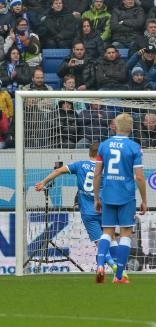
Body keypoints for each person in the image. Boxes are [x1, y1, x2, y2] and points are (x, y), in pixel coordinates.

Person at [34, 143, 119, 276]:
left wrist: (43, 182)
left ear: (89, 153)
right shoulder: (107, 167)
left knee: (100, 243)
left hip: (88, 212)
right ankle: (119, 269)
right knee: (112, 237)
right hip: (105, 209)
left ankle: (111, 265)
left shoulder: (80, 165)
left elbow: (58, 171)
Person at [93, 113, 147, 284]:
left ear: (115, 126)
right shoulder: (134, 147)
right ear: (131, 128)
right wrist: (144, 200)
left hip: (108, 194)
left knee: (107, 232)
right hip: (126, 196)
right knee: (125, 234)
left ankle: (100, 265)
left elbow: (97, 174)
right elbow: (139, 177)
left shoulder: (104, 145)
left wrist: (96, 197)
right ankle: (118, 276)